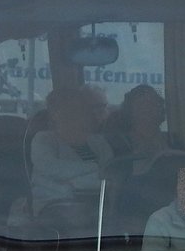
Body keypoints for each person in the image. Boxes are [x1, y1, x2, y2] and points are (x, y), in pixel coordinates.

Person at [29, 84, 113, 214]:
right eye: (66, 108)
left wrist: (77, 181)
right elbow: (52, 168)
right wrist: (97, 169)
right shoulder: (43, 139)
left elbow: (111, 175)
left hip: (100, 208)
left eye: (79, 108)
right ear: (54, 114)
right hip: (52, 212)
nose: (73, 113)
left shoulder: (99, 142)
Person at [104, 83, 170, 170]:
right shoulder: (115, 146)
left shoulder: (174, 142)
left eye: (154, 103)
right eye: (142, 104)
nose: (148, 109)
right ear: (129, 111)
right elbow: (113, 179)